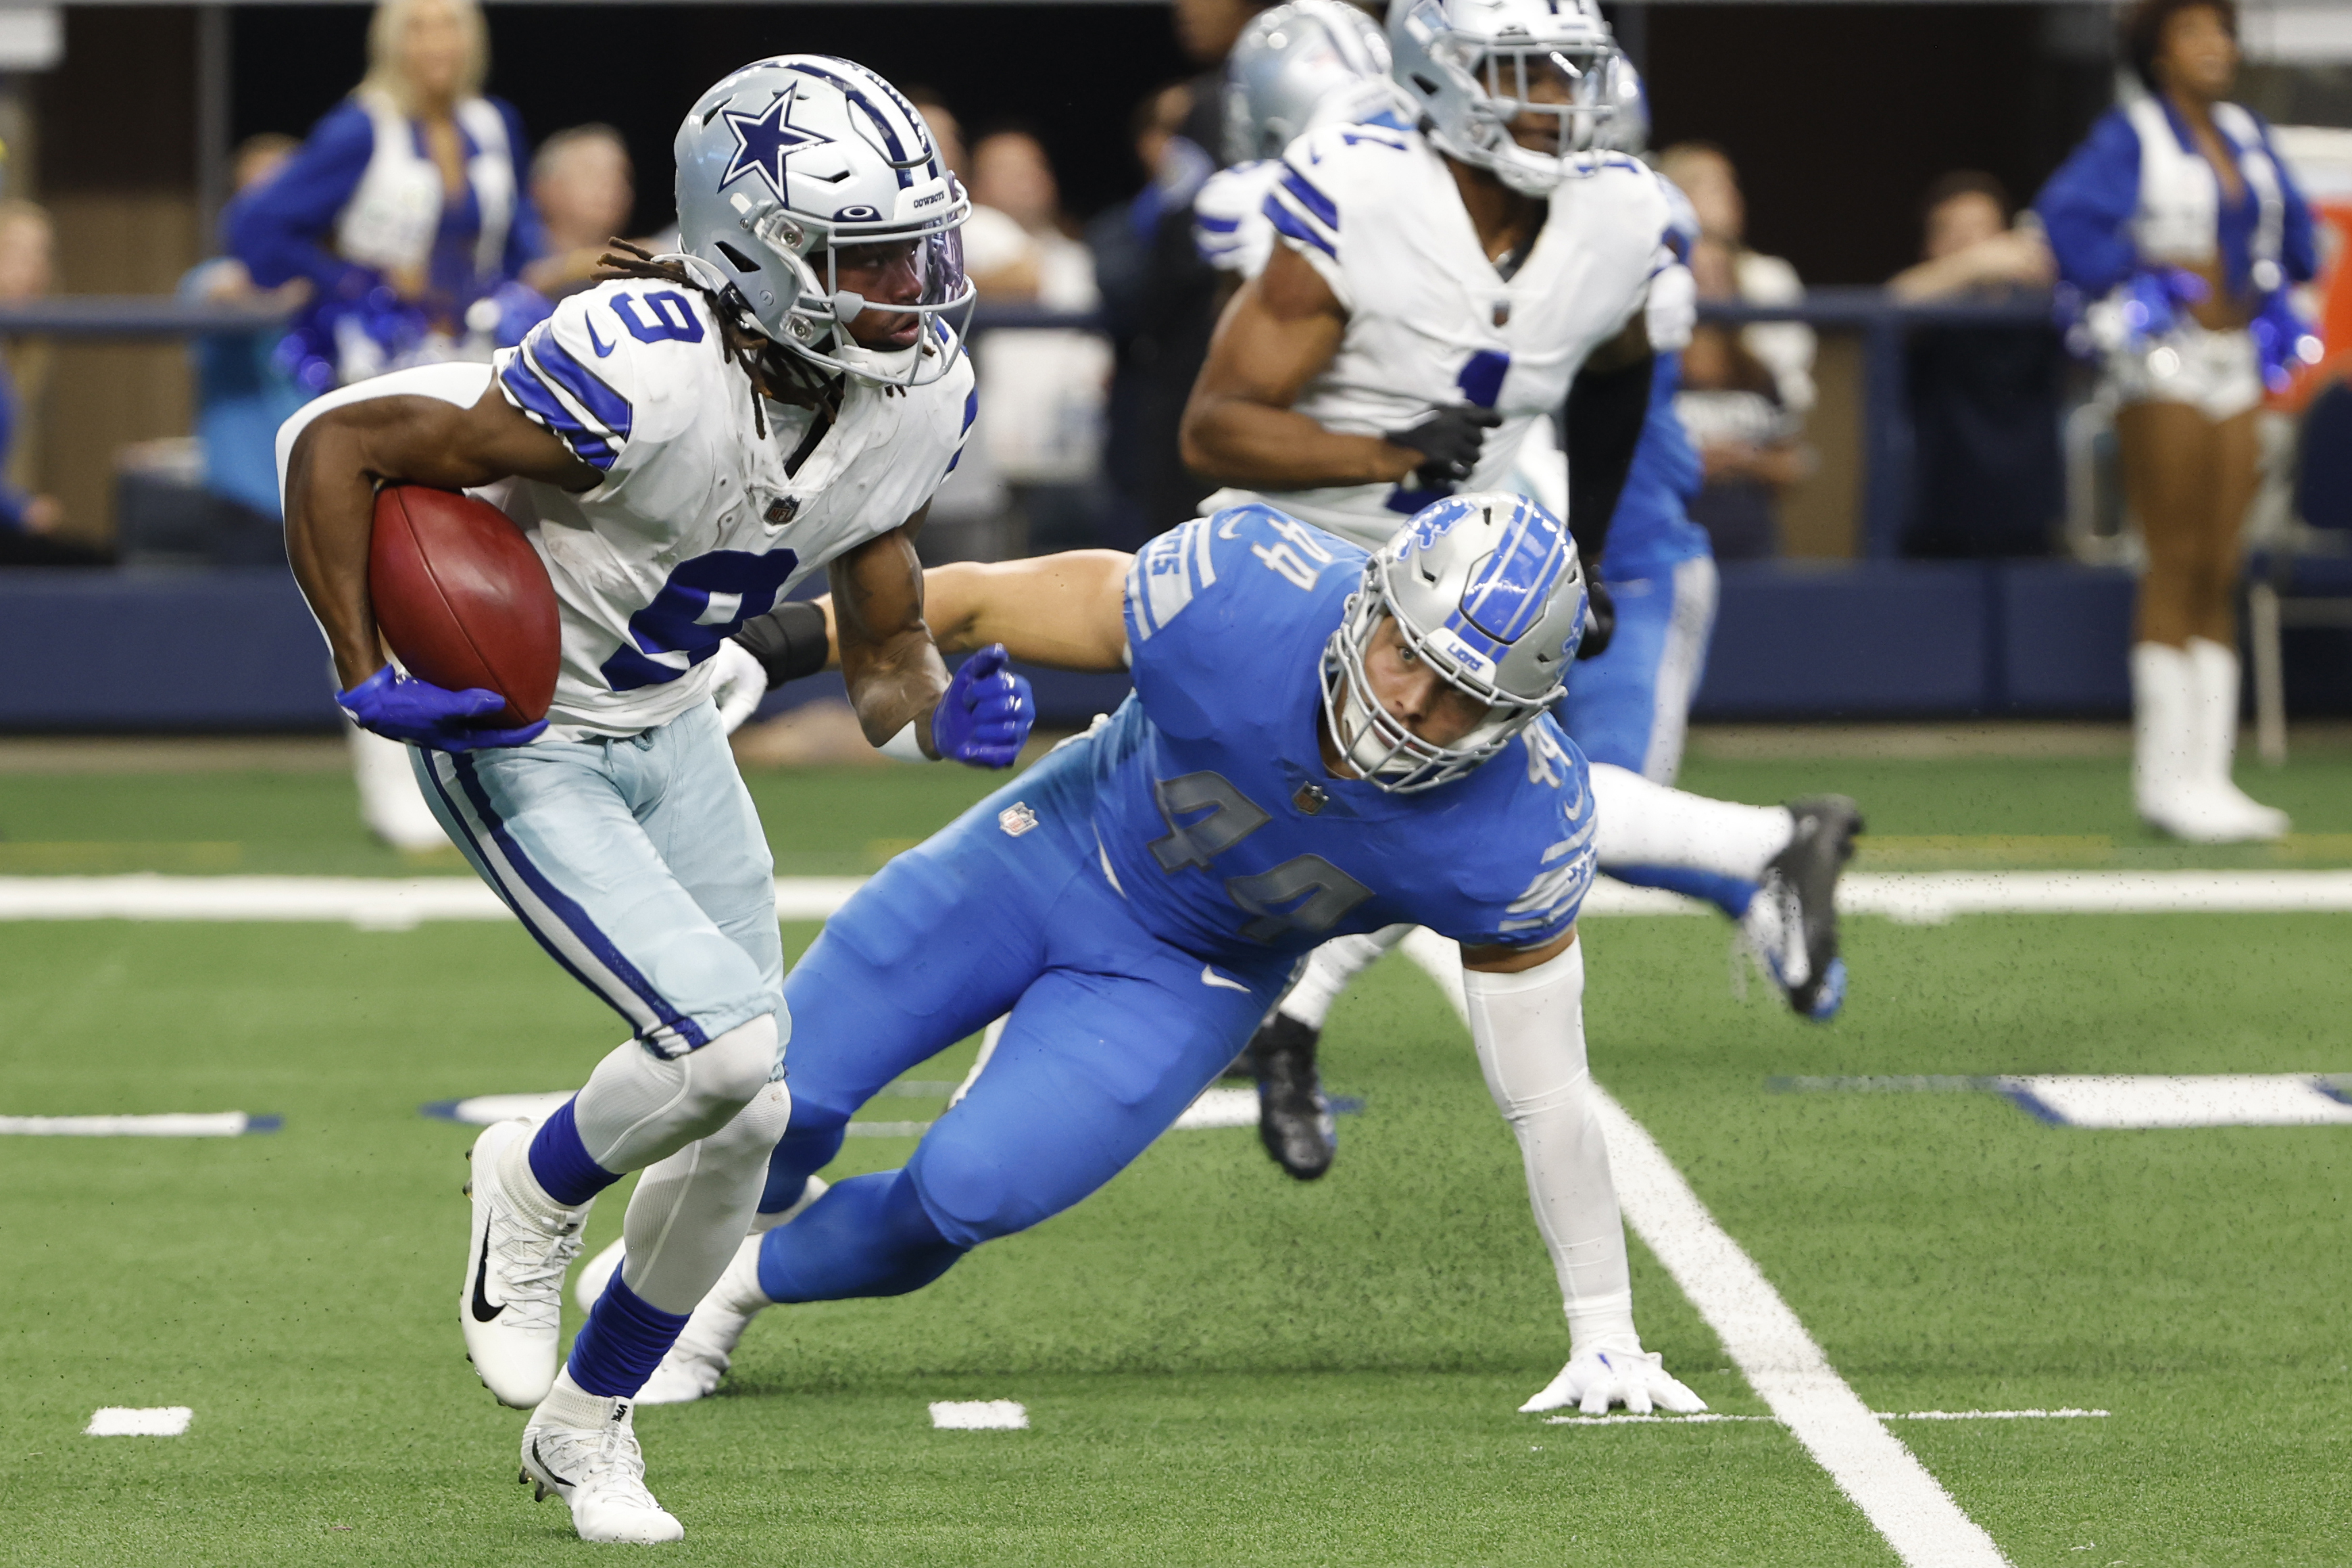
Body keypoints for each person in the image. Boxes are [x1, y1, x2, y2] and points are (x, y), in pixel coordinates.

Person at [274, 55, 1024, 1545]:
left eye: (916, 247)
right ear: (756, 248)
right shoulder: (637, 359)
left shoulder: (916, 393)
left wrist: (942, 709)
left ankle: (588, 1429)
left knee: (755, 1111)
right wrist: (362, 662)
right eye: (869, 255)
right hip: (528, 722)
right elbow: (341, 444)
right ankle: (533, 1177)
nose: (911, 287)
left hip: (674, 721)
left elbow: (883, 647)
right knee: (725, 1044)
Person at [605, 493, 1710, 1425]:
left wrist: (1604, 1324)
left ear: (1517, 719)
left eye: (1464, 696)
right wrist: (779, 644)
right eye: (1407, 654)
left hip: (1193, 972)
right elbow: (982, 596)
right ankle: (696, 1242)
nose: (1410, 704)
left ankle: (726, 1294)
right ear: (1373, 600)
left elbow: (1548, 1093)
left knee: (968, 1192)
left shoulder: (1519, 827)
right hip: (1054, 847)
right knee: (784, 1097)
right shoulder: (1243, 592)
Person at [1177, 0, 1859, 1173]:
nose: (1552, 102)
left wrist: (1582, 547)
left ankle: (1275, 1021)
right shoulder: (1353, 182)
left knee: (1445, 803)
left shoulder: (1615, 213)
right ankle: (1767, 845)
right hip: (1314, 540)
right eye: (1522, 75)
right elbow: (1226, 419)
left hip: (1449, 553)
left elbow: (1614, 368)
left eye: (1565, 77)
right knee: (1303, 793)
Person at [2035, 0, 2318, 842]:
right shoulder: (2134, 135)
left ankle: (2212, 776)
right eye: (2194, 32)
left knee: (2223, 563)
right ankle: (2164, 779)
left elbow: (2297, 240)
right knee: (2175, 554)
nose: (2216, 48)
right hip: (2164, 356)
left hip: (2239, 357)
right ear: (2158, 53)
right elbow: (2067, 216)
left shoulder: (2248, 134)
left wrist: (2269, 286)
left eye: (2224, 32)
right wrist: (2144, 271)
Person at [229, 0, 547, 391]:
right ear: (390, 42)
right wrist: (355, 281)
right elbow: (257, 224)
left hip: (483, 353)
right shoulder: (361, 127)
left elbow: (520, 240)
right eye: (417, 29)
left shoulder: (495, 125)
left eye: (450, 26)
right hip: (380, 357)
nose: (437, 44)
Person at [1890, 173, 2065, 560]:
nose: (1977, 248)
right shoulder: (1928, 315)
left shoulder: (2043, 306)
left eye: (1985, 232)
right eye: (1957, 235)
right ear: (1931, 247)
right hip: (1939, 526)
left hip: (2029, 525)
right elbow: (1893, 302)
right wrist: (1975, 264)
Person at [181, 137, 314, 543]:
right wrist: (283, 294)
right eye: (259, 193)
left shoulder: (328, 283)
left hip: (319, 497)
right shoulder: (209, 281)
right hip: (245, 504)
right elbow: (224, 291)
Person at [0, 201, 99, 566]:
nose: (33, 269)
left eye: (42, 255)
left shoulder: (15, 358)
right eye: (14, 253)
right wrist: (19, 510)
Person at [520, 124, 636, 299]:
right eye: (592, 174)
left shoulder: (632, 280)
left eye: (622, 175)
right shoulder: (508, 246)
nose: (611, 185)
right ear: (545, 188)